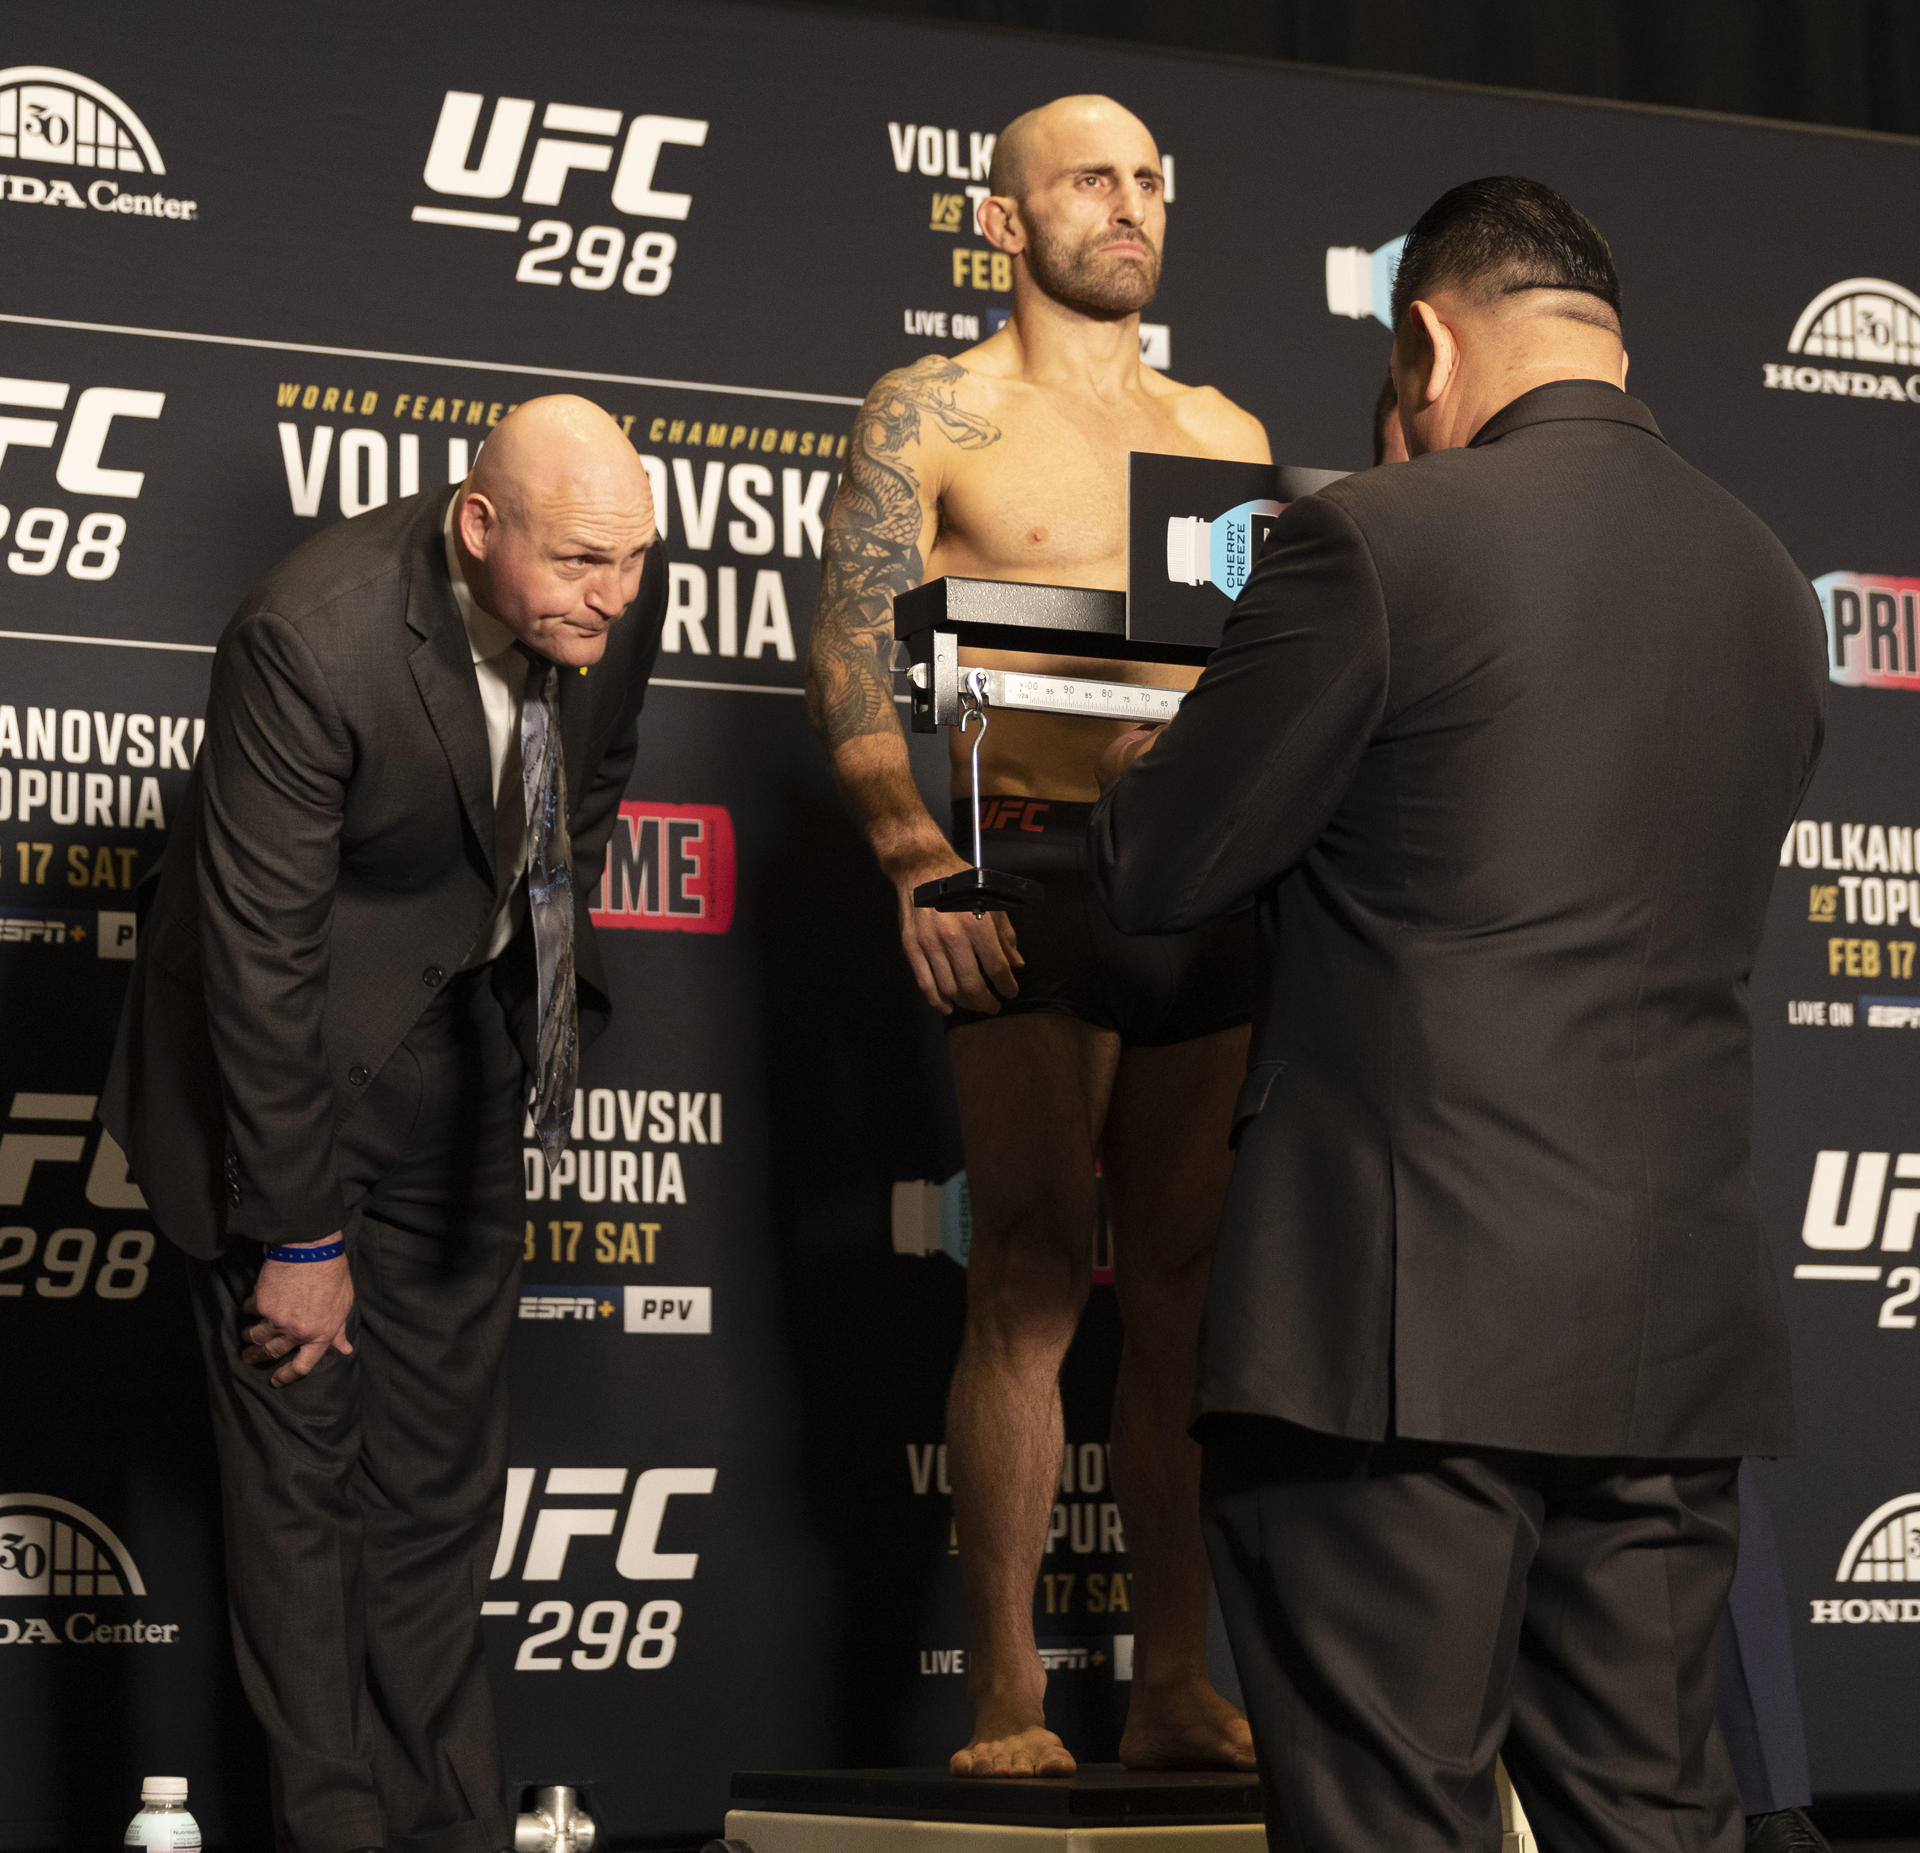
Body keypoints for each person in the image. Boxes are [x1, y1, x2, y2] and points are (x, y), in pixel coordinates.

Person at [1088, 177, 1826, 1850]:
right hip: (1667, 1344)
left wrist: (1140, 755)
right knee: (1657, 1821)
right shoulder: (1773, 586)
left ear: (1427, 339)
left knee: (1388, 1819)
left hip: (1392, 1344)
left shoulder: (1375, 540)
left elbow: (1161, 860)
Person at [100, 396, 667, 1853]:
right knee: (302, 1485)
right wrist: (298, 1230)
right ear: (481, 527)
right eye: (583, 560)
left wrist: (522, 963)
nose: (615, 592)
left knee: (435, 1488)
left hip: (459, 1054)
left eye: (634, 559)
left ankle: (446, 1829)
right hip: (274, 1081)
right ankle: (339, 1830)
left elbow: (584, 789)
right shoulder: (310, 635)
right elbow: (258, 960)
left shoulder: (610, 596)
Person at [805, 93, 1269, 1778]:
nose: (1129, 204)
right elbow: (855, 659)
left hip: (1204, 886)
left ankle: (1170, 1679)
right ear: (1001, 222)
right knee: (1022, 1272)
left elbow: (1250, 685)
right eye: (1089, 180)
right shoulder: (930, 412)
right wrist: (914, 853)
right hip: (1023, 864)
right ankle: (1006, 1696)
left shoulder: (1222, 428)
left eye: (1149, 179)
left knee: (1186, 1296)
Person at [1384, 368, 1830, 1853]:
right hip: (1650, 1255)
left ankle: (1773, 1807)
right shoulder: (1758, 570)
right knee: (1648, 1772)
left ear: (1432, 376)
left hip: (1472, 1257)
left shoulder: (1410, 558)